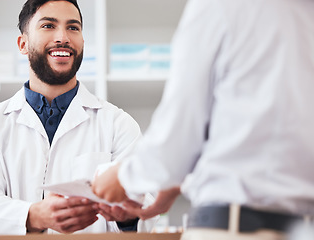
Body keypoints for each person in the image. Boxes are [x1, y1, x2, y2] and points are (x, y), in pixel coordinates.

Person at [92, 0, 314, 239]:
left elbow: (178, 137)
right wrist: (179, 182)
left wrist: (122, 177)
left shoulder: (218, 6)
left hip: (235, 228)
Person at [0, 0, 156, 235]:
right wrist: (34, 216)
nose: (63, 37)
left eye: (73, 27)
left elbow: (146, 209)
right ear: (23, 43)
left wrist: (129, 216)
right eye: (48, 26)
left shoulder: (118, 124)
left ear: (83, 41)